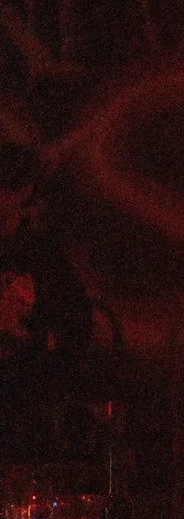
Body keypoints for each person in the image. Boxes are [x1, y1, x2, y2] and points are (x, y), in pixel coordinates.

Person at [0, 142, 94, 467]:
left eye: (6, 189)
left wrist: (44, 345)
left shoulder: (42, 255)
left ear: (23, 191)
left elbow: (76, 322)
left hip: (26, 391)